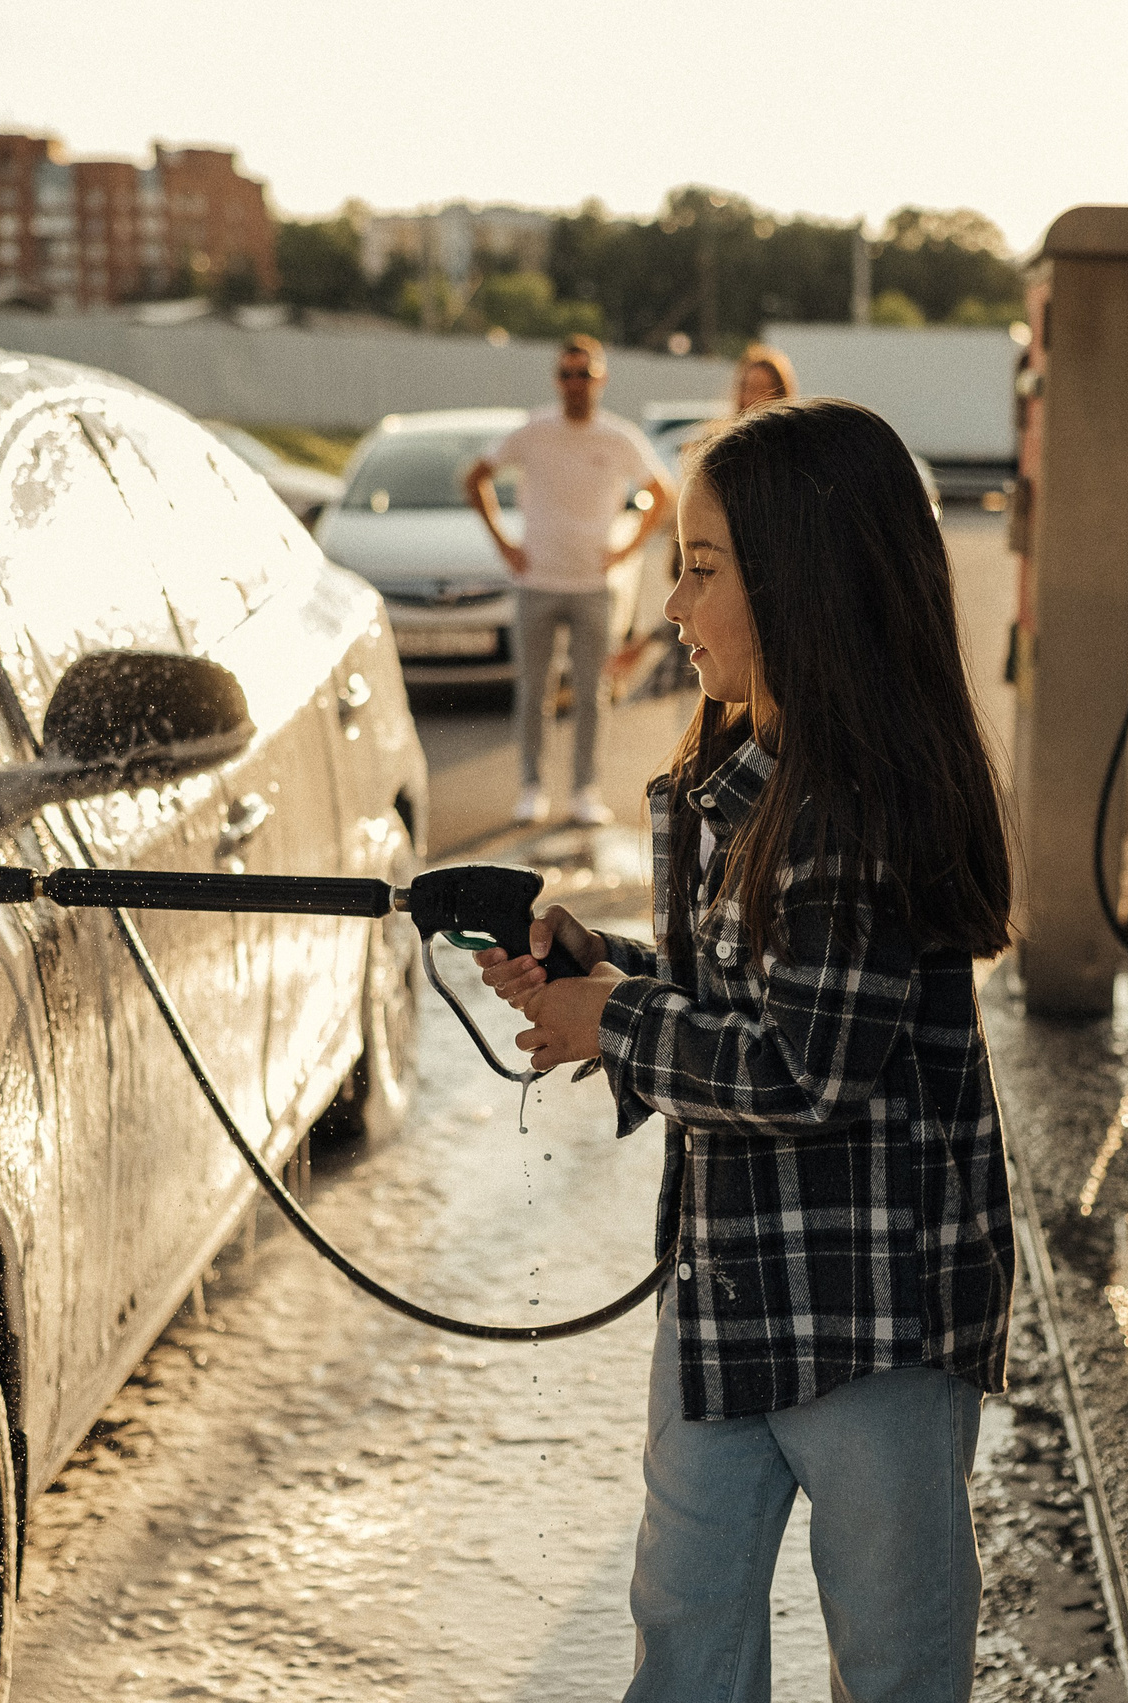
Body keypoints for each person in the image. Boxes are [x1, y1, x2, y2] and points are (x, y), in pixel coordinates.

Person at [477, 396, 1017, 1701]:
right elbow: (749, 993)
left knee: (891, 1658)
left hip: (875, 1319)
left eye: (702, 570)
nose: (670, 605)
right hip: (730, 1287)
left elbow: (806, 1065)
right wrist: (609, 967)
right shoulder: (743, 772)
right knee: (685, 1624)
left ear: (807, 587)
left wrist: (612, 1017)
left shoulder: (853, 804)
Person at [465, 334, 672, 827]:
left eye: (584, 374)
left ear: (600, 379)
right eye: (567, 374)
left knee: (591, 692)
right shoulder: (534, 430)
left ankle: (584, 791)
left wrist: (624, 550)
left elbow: (661, 493)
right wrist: (504, 543)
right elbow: (475, 477)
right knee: (532, 690)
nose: (575, 384)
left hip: (591, 585)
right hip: (537, 580)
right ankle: (531, 787)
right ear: (557, 380)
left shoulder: (617, 437)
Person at [605, 343, 798, 701]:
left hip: (761, 609)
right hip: (711, 594)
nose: (752, 396)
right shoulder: (720, 449)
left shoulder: (793, 462)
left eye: (763, 387)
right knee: (698, 713)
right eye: (746, 386)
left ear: (782, 392)